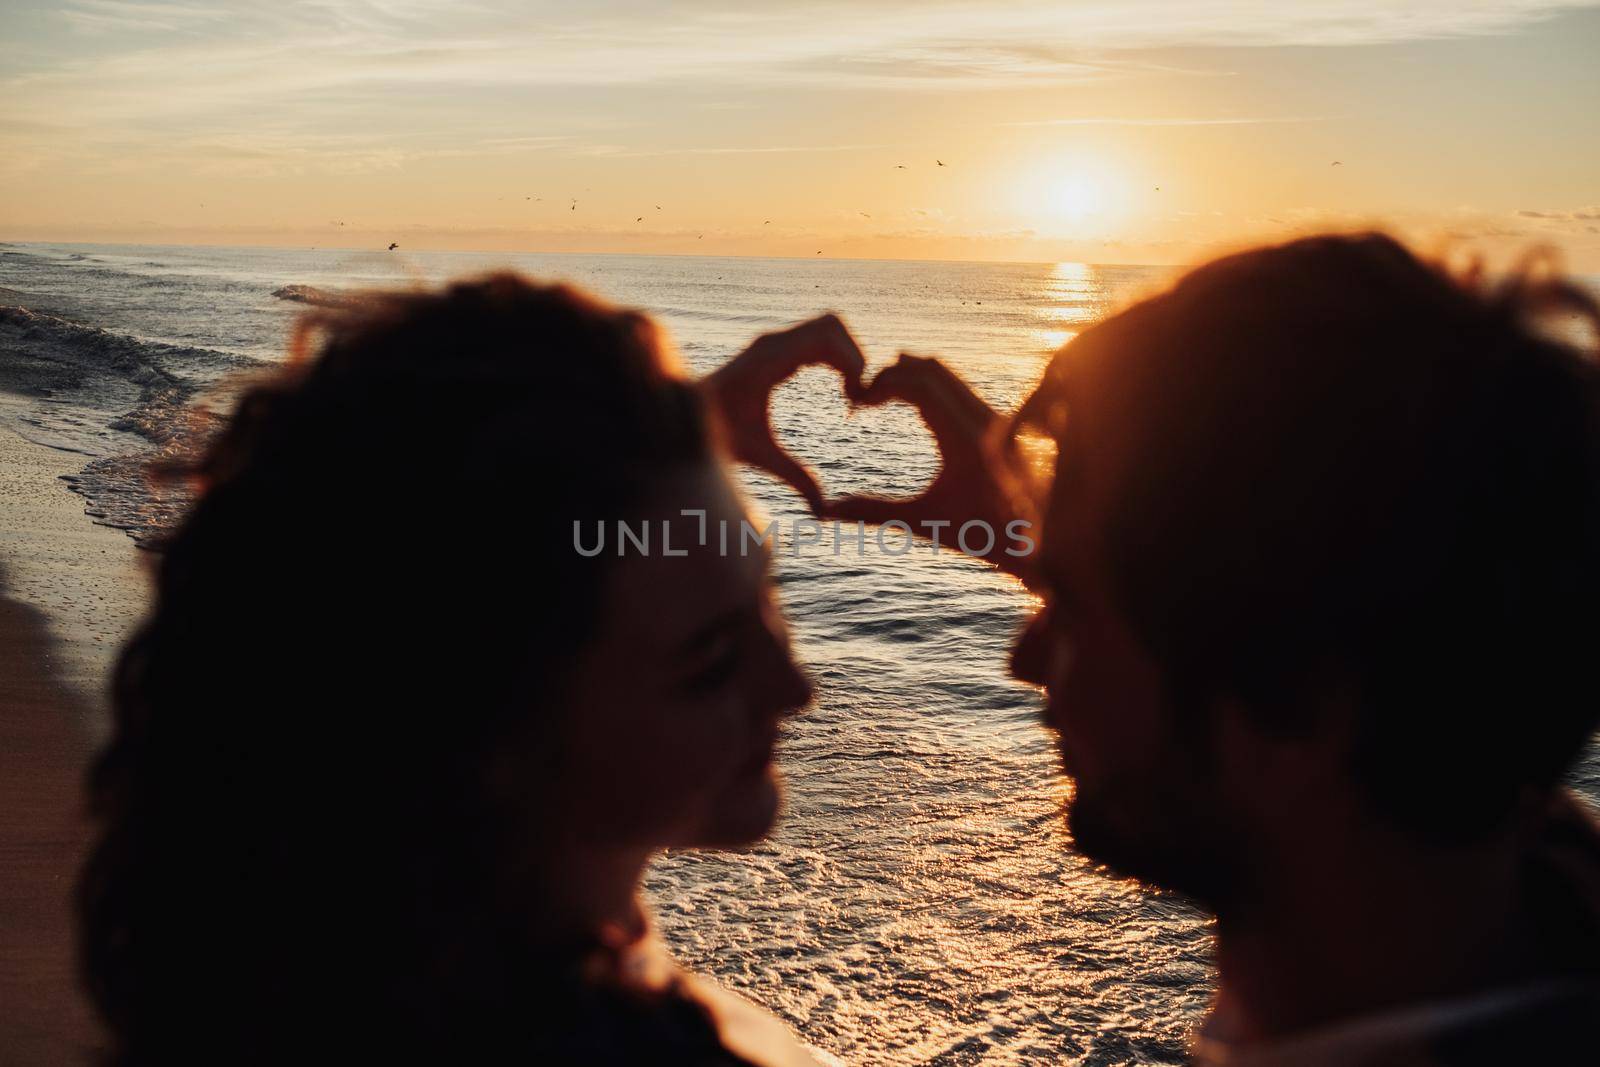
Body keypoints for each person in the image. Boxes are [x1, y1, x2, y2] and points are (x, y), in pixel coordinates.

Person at [827, 233, 1600, 1063]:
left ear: (1297, 708)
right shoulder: (1512, 895)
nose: (1024, 657)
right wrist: (1072, 540)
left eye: (1072, 611)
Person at [76, 274, 865, 1065]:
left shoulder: (298, 975)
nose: (794, 689)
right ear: (489, 731)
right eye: (712, 661)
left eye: (767, 594)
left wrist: (657, 447)